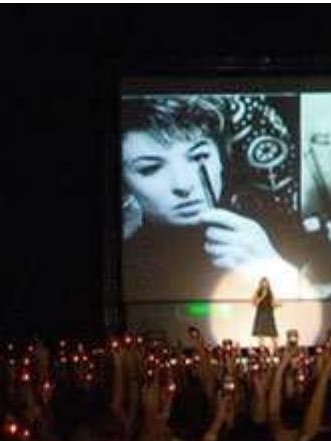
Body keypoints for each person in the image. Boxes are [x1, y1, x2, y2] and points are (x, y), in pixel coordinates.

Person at [120, 96, 310, 301]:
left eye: (199, 156)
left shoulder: (281, 232)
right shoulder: (125, 264)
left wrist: (275, 271)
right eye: (150, 168)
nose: (183, 185)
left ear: (221, 159)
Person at [250, 276, 280, 350]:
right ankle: (261, 351)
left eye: (266, 282)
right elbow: (254, 303)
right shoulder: (258, 292)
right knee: (260, 335)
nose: (265, 284)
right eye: (263, 282)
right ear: (261, 284)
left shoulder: (270, 292)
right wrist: (262, 297)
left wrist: (277, 304)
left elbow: (272, 303)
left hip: (269, 314)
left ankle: (276, 351)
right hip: (261, 313)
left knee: (273, 334)